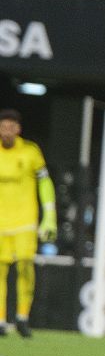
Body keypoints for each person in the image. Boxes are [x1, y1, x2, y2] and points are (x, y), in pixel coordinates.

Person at [0, 109, 58, 339]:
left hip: (25, 221)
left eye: (9, 127)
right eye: (2, 127)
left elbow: (45, 183)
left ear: (18, 129)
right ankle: (1, 321)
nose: (6, 131)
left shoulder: (31, 152)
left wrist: (50, 216)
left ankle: (23, 317)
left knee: (25, 266)